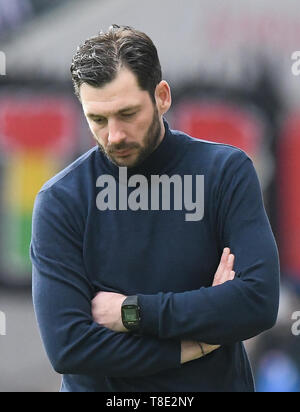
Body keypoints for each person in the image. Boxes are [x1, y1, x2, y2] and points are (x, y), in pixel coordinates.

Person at [30, 24, 280, 392]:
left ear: (162, 97)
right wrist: (196, 341)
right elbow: (70, 348)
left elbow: (257, 302)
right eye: (97, 119)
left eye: (127, 113)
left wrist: (131, 312)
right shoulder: (60, 200)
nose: (113, 135)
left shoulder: (225, 172)